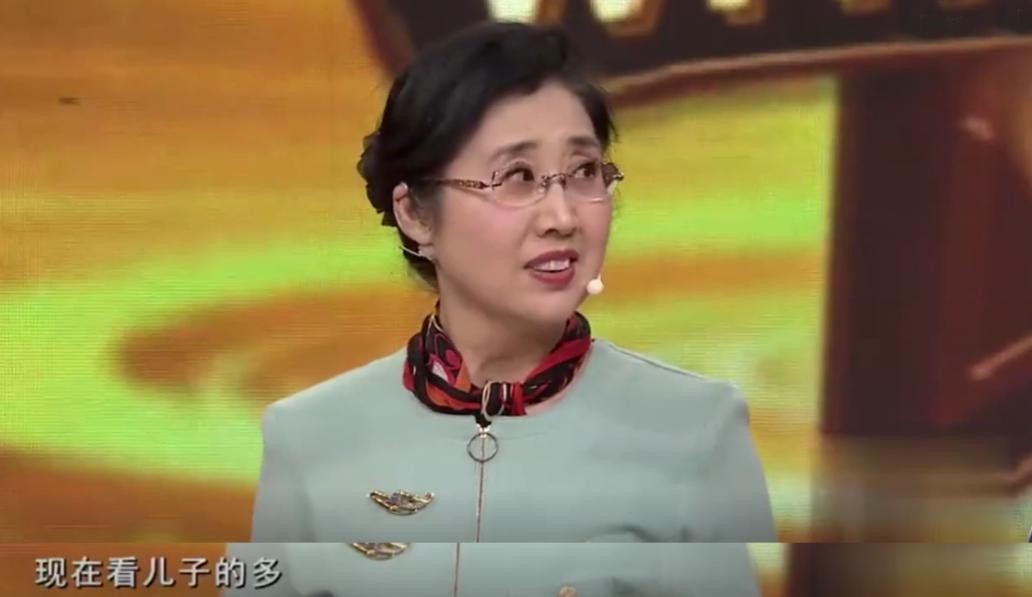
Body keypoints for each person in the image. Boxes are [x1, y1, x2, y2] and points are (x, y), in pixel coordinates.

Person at [226, 20, 774, 597]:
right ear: (416, 214)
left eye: (584, 172)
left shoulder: (695, 430)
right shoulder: (309, 438)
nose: (562, 216)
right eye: (517, 177)